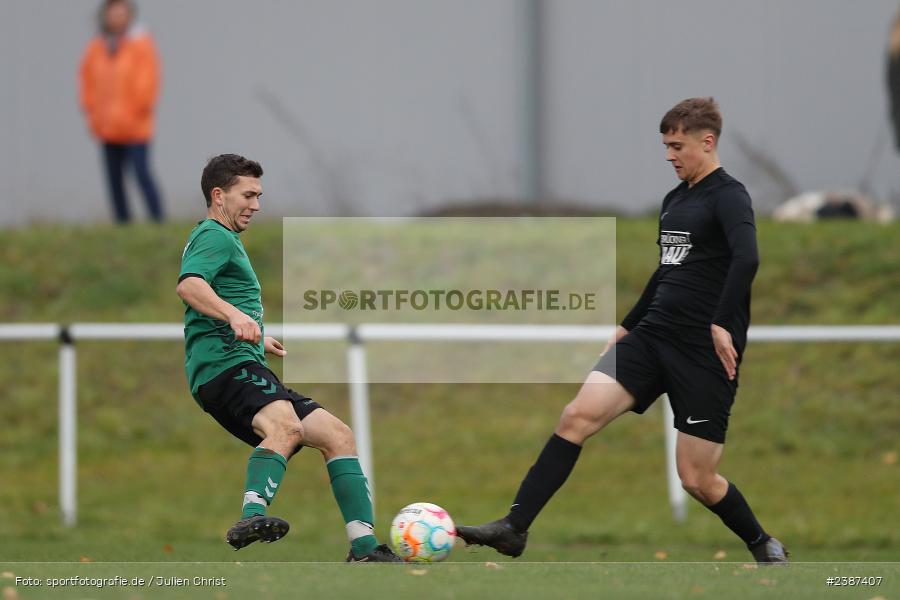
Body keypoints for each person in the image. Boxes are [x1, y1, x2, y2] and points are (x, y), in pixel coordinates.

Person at [457, 98, 788, 565]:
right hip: (652, 337)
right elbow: (666, 271)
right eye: (666, 146)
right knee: (576, 416)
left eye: (678, 146)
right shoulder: (675, 200)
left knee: (696, 478)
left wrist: (720, 322)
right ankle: (514, 527)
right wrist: (627, 325)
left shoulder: (729, 196)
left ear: (707, 141)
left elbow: (747, 258)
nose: (670, 155)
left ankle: (761, 542)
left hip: (701, 352)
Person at [177, 154, 400, 562]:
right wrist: (235, 315)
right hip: (226, 369)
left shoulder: (221, 238)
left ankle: (366, 549)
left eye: (259, 196)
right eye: (248, 195)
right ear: (218, 195)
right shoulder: (215, 235)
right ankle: (252, 515)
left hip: (241, 360)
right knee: (286, 427)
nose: (256, 205)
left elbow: (211, 300)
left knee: (338, 435)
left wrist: (256, 334)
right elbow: (190, 286)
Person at [79, 0, 164, 223]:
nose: (116, 18)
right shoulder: (97, 47)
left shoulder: (140, 44)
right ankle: (122, 224)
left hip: (135, 126)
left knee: (141, 174)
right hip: (107, 127)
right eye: (113, 13)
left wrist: (137, 110)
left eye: (121, 13)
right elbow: (87, 82)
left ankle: (158, 221)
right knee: (114, 180)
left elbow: (147, 82)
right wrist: (93, 114)